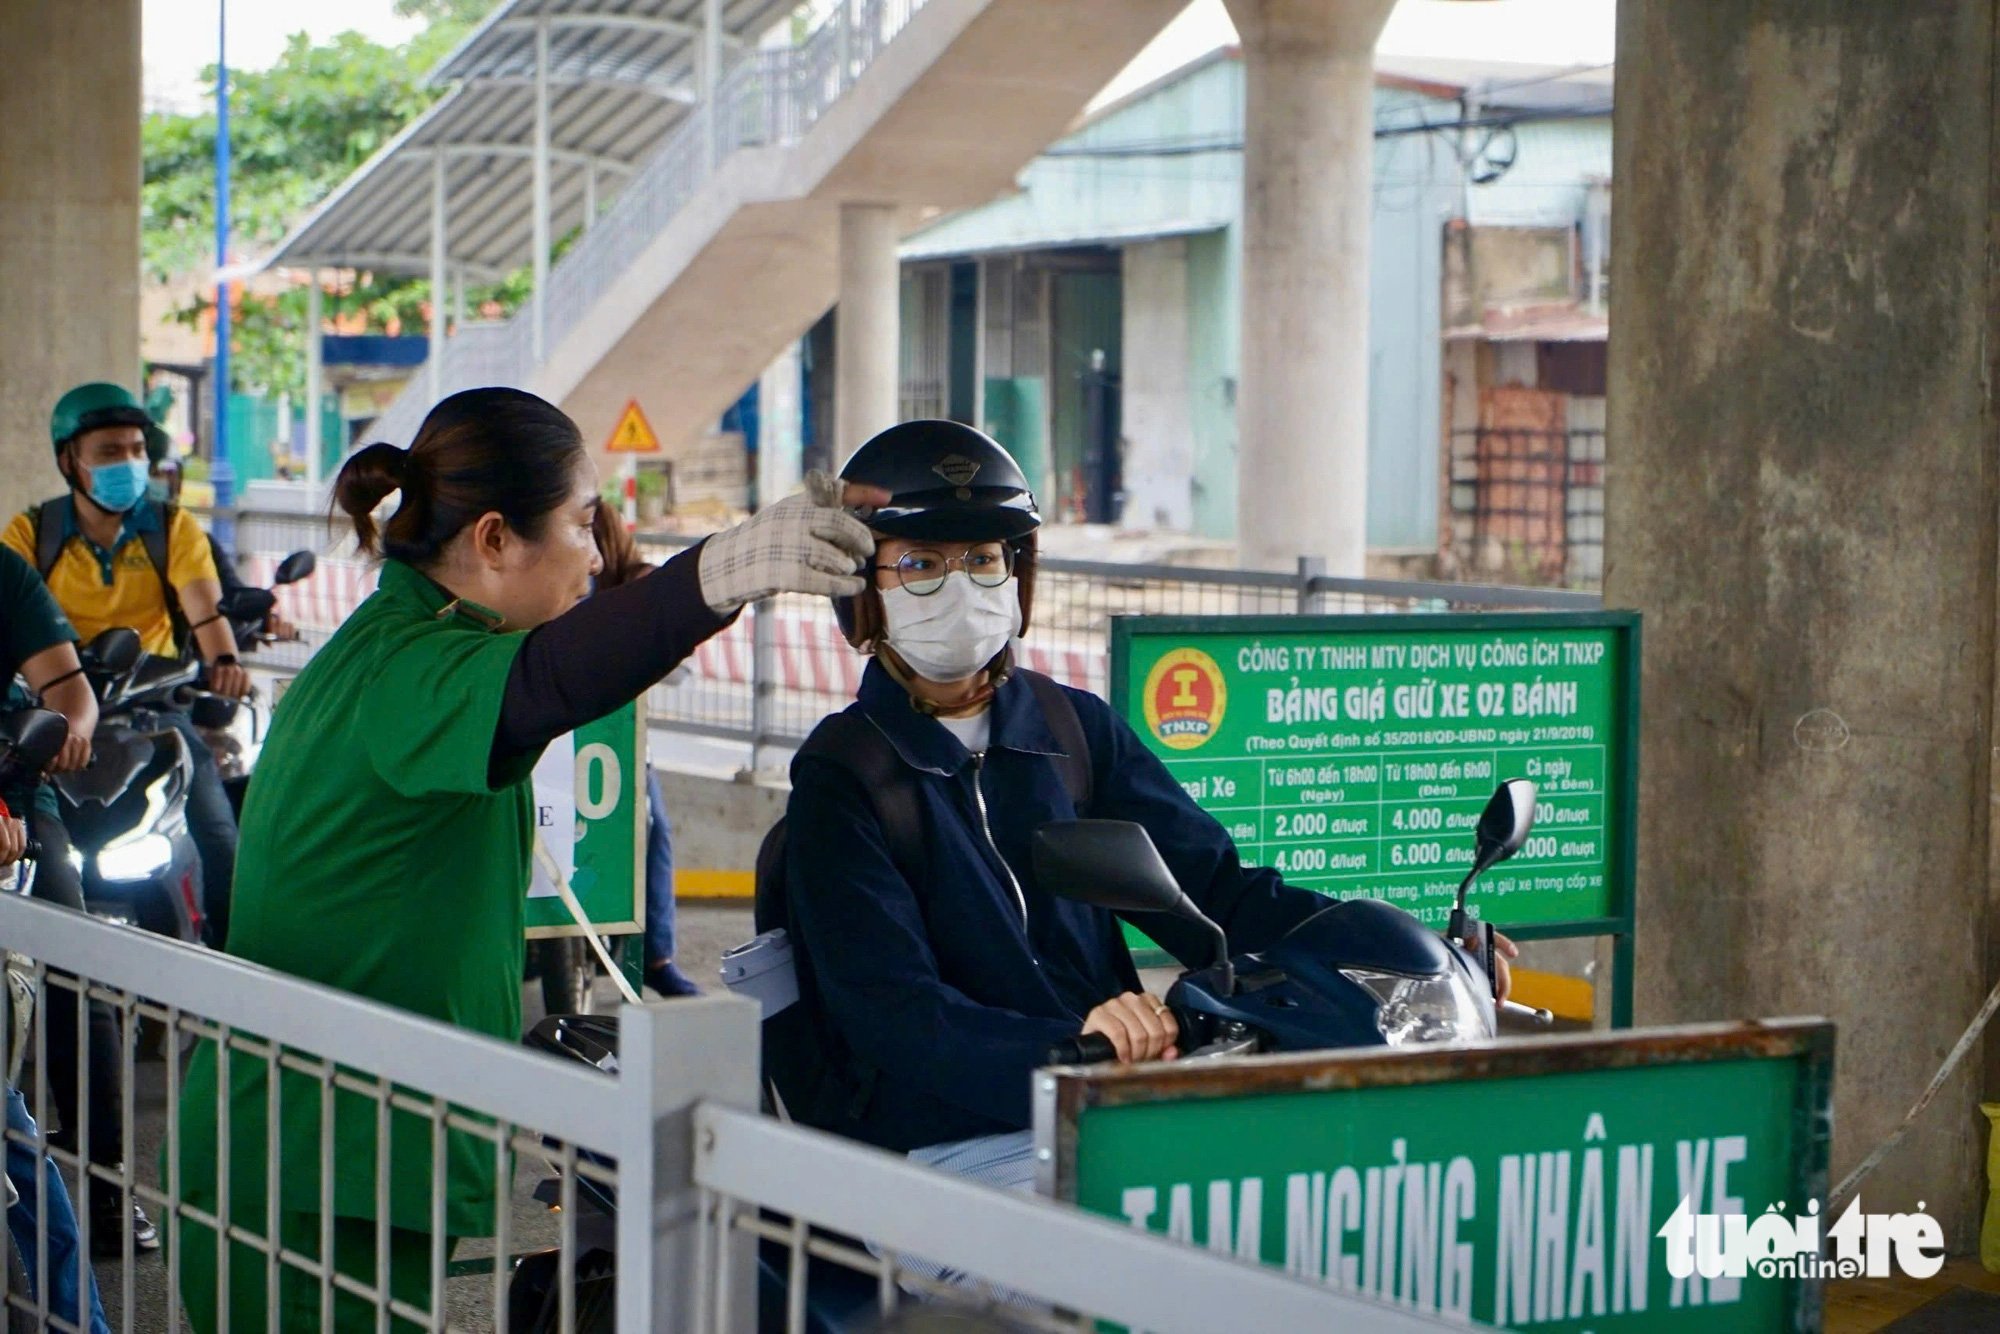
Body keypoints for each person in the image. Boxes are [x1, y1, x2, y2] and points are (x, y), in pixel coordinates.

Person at [169, 386, 885, 1333]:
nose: (596, 555)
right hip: (318, 1165)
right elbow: (552, 679)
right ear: (496, 538)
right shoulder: (409, 668)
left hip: (347, 1148)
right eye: (584, 525)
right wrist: (722, 573)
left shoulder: (413, 642)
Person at [776, 422, 1515, 1175]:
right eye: (923, 564)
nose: (963, 586)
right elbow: (897, 1016)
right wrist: (1070, 1044)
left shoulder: (1072, 731)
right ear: (864, 594)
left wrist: (1406, 964)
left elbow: (1217, 892)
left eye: (985, 559)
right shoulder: (846, 776)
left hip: (1113, 1101)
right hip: (945, 1140)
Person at [1, 382, 250, 948]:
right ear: (70, 461)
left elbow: (205, 609)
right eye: (110, 452)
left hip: (152, 709)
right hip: (56, 721)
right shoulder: (30, 534)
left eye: (138, 450)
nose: (130, 463)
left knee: (218, 835)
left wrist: (225, 659)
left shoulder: (171, 528)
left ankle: (239, 982)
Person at [0, 545, 154, 1254]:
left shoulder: (5, 573)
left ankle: (109, 1188)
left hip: (13, 799)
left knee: (72, 964)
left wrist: (72, 729)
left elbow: (66, 685)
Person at [588, 507, 698, 997]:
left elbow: (631, 566)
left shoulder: (598, 514)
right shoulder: (509, 513)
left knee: (650, 822)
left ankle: (656, 956)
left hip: (608, 716)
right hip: (530, 706)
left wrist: (646, 589)